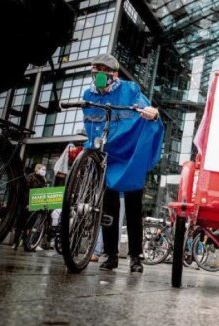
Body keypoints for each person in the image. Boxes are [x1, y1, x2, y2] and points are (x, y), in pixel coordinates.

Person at [82, 53, 164, 273]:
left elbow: (148, 111)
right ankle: (110, 254)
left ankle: (136, 257)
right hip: (107, 155)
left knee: (133, 207)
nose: (98, 74)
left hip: (129, 156)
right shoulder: (88, 94)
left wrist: (153, 114)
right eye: (95, 70)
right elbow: (91, 125)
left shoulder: (129, 90)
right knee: (108, 208)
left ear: (113, 74)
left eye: (103, 70)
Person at [13, 164, 47, 250]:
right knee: (21, 225)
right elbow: (25, 191)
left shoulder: (43, 180)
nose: (44, 171)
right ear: (37, 170)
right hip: (26, 204)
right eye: (43, 169)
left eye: (45, 169)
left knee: (29, 226)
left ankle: (26, 244)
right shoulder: (31, 177)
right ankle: (15, 242)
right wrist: (27, 203)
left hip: (34, 205)